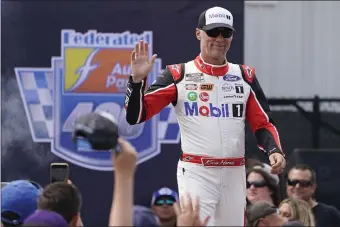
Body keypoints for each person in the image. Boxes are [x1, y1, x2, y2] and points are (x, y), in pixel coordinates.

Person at [124, 5, 286, 226]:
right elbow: (136, 116)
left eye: (225, 33)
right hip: (196, 171)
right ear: (198, 33)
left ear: (232, 36)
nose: (219, 38)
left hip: (234, 172)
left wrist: (274, 150)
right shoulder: (178, 74)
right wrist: (136, 81)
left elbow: (263, 123)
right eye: (213, 32)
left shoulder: (244, 76)